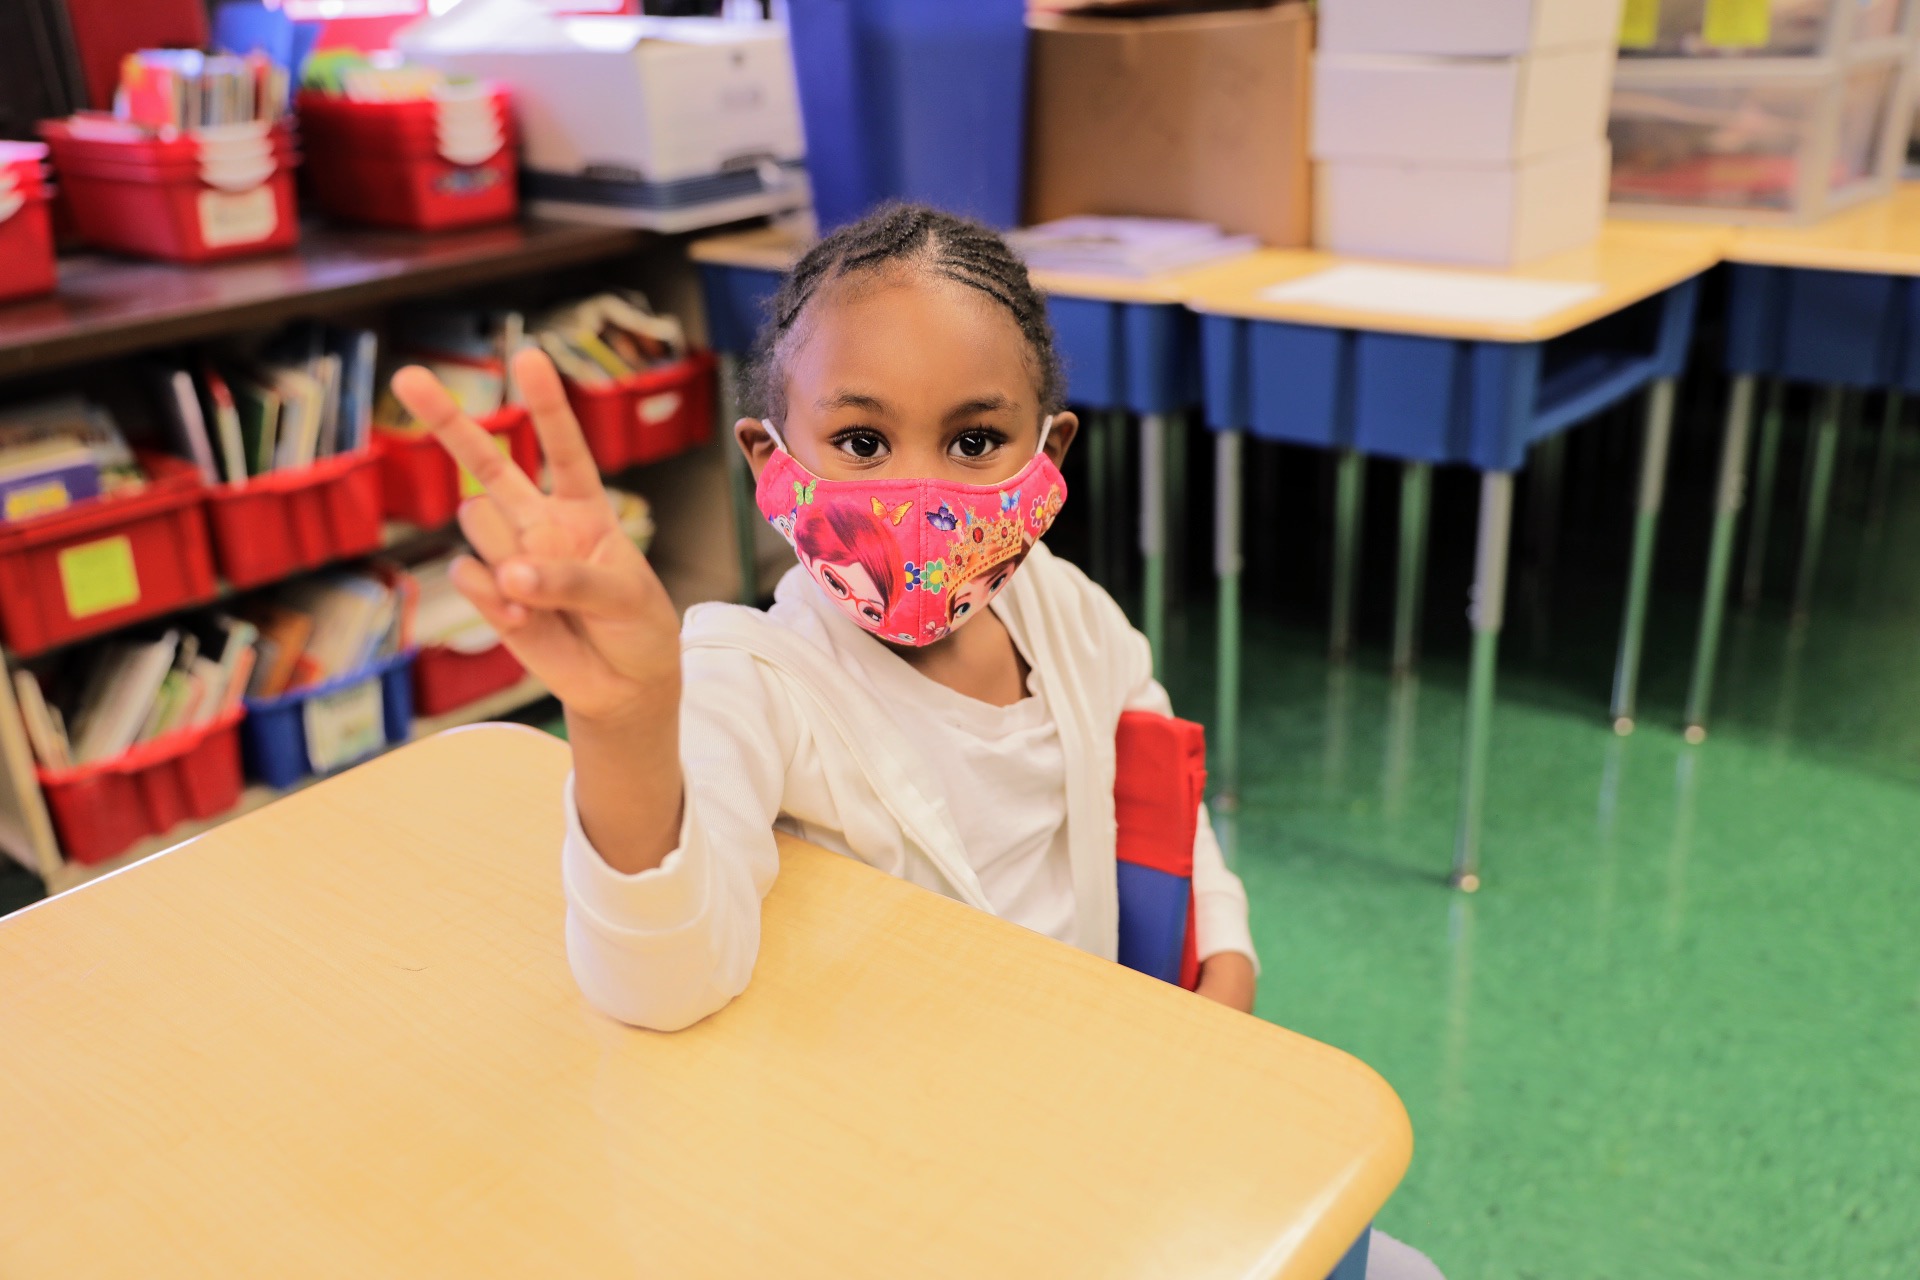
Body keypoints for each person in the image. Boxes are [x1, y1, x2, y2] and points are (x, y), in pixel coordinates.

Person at [392, 205, 1442, 1278]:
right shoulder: (749, 675)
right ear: (771, 459)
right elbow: (661, 972)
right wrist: (624, 721)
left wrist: (1221, 949)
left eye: (975, 441)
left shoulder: (1072, 615)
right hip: (905, 1181)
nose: (920, 494)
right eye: (861, 442)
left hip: (1104, 1106)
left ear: (1050, 452)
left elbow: (1161, 802)